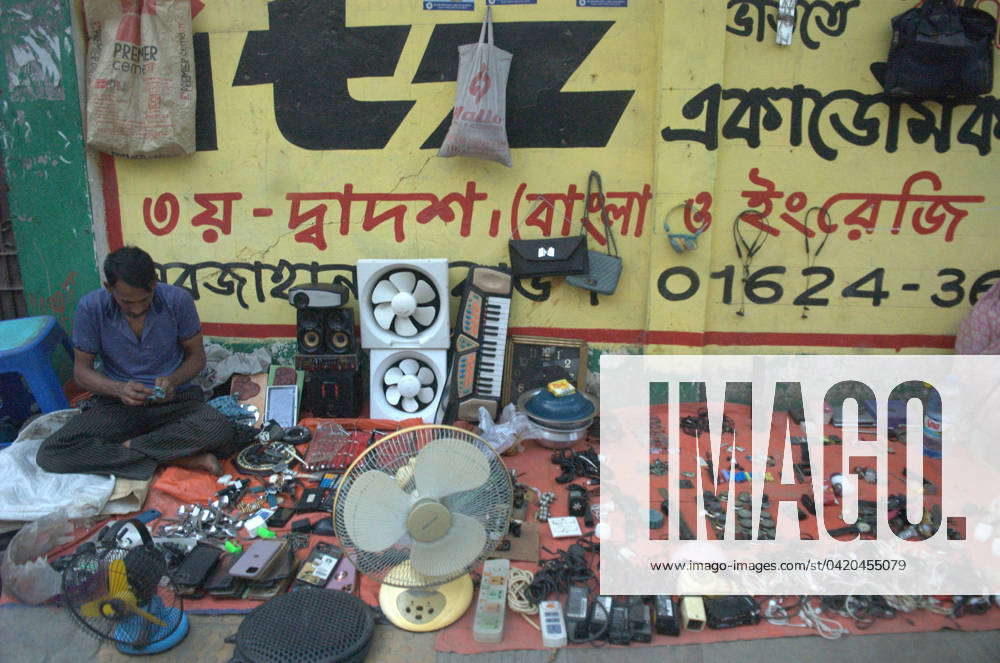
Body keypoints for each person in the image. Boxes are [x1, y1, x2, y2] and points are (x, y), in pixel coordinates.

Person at [36, 246, 236, 479]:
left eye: (145, 299)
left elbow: (197, 358)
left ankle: (132, 450)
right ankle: (177, 457)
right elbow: (81, 372)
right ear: (108, 288)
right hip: (118, 406)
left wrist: (173, 380)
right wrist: (119, 389)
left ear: (155, 282)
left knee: (218, 428)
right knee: (51, 453)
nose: (138, 309)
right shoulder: (91, 308)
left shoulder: (177, 300)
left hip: (174, 402)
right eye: (127, 302)